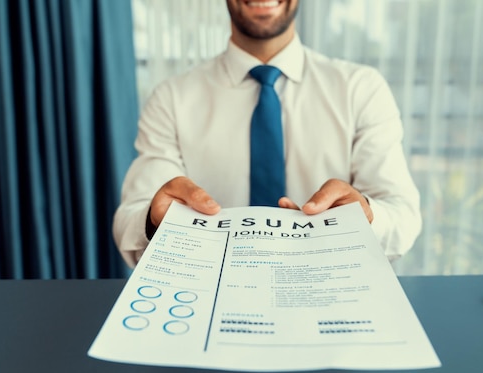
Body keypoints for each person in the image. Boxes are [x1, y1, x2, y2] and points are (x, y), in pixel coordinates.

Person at [113, 0, 422, 268]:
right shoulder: (171, 98)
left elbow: (402, 218)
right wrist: (154, 220)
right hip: (211, 300)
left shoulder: (361, 89)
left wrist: (364, 216)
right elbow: (128, 222)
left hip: (333, 295)